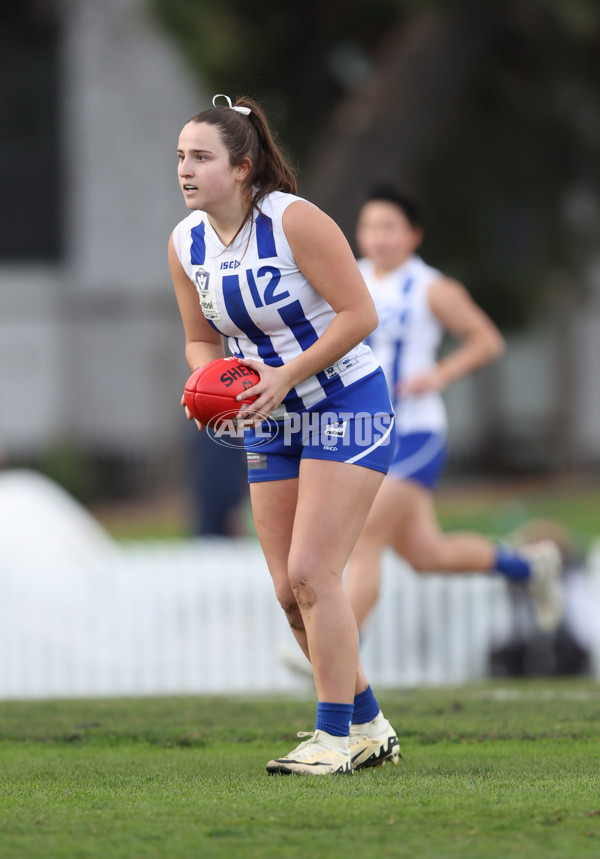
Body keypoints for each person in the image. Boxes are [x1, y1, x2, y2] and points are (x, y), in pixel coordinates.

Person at [168, 94, 400, 775]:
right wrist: (209, 388)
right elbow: (197, 340)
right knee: (285, 587)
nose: (185, 169)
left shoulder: (294, 220)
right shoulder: (186, 242)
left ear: (242, 168)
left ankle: (332, 738)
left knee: (312, 571)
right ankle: (370, 724)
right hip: (272, 417)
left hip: (345, 402)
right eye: (180, 157)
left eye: (201, 157)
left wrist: (282, 375)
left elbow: (360, 314)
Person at [345, 184, 564, 638]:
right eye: (368, 227)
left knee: (363, 535)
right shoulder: (348, 279)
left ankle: (334, 654)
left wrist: (439, 374)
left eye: (388, 227)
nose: (376, 237)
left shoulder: (432, 287)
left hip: (418, 433)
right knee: (427, 555)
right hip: (367, 433)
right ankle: (528, 567)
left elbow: (487, 339)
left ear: (413, 235)